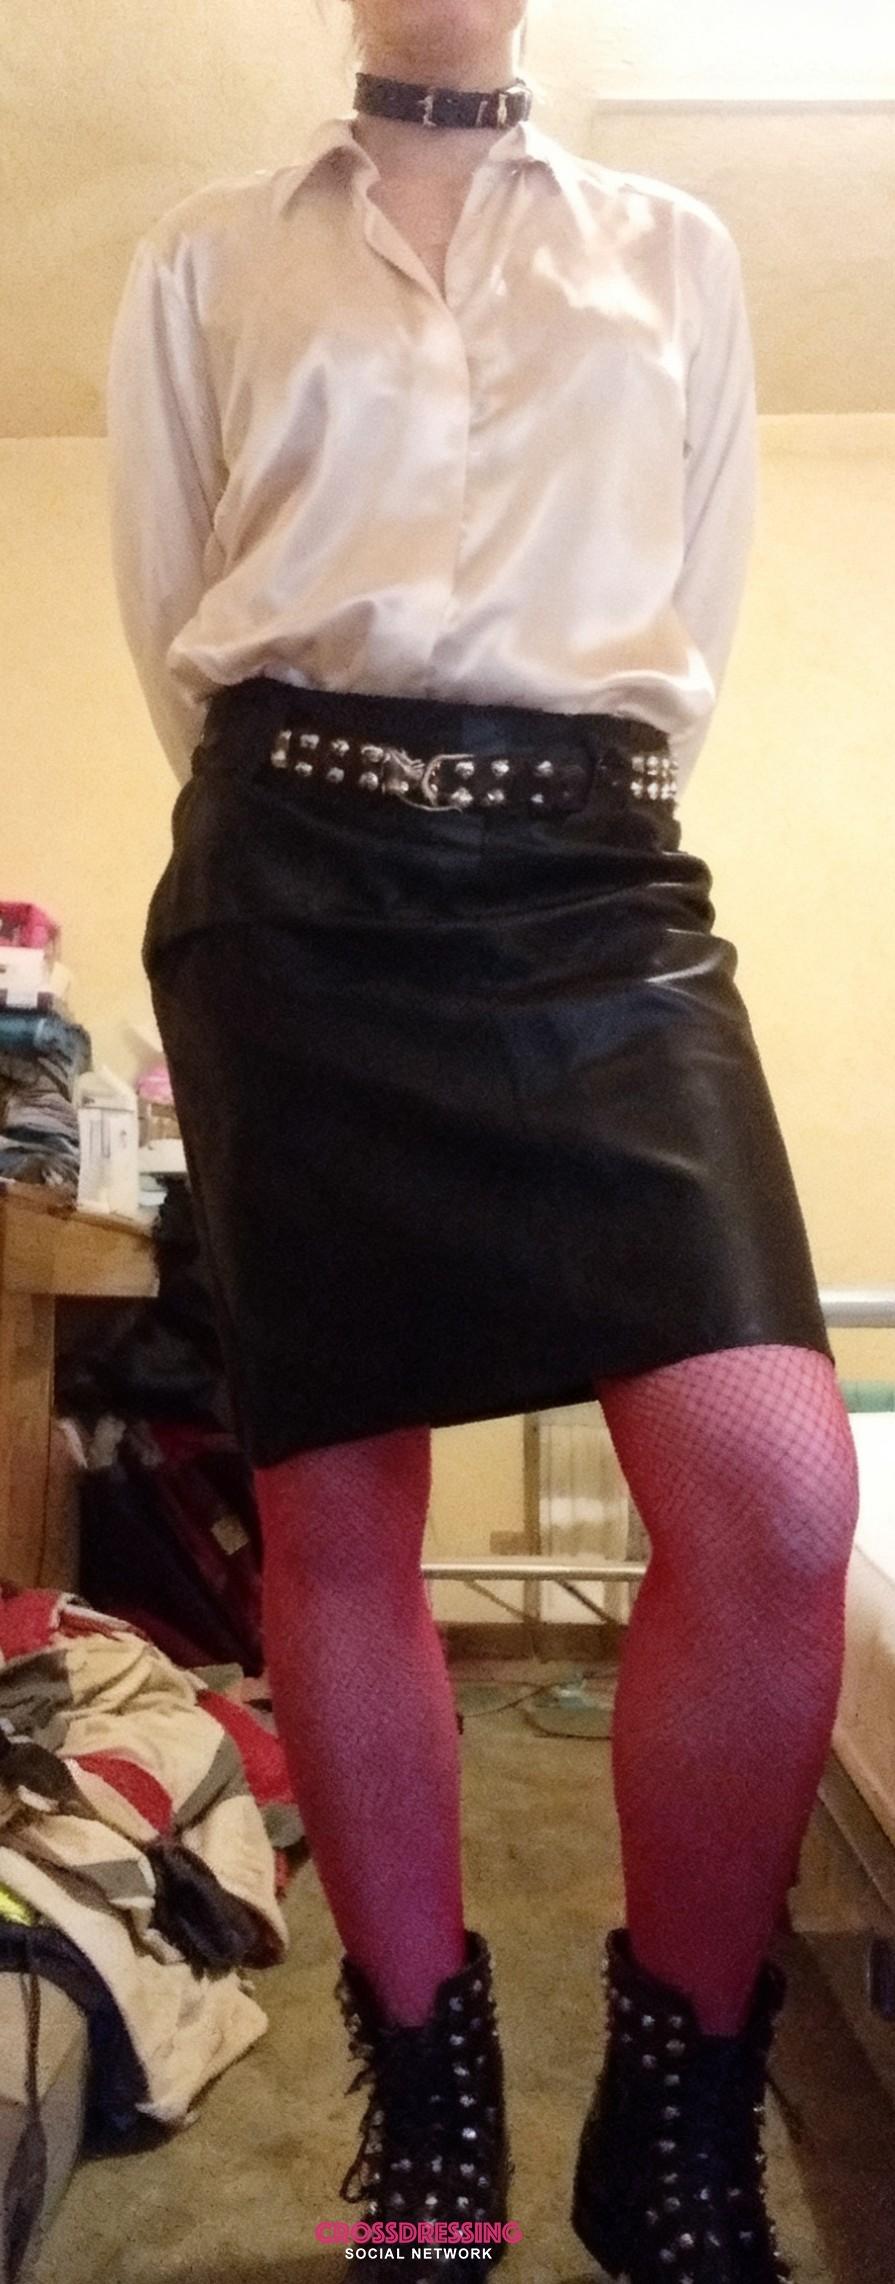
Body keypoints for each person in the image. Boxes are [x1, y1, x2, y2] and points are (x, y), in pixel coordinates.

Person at [105, 1, 860, 2274]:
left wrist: (533, 810)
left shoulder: (676, 249)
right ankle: (429, 2111)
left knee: (776, 1490)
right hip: (294, 898)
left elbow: (688, 603)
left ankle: (674, 2104)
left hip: (599, 892)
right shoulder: (203, 254)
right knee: (337, 1509)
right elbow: (173, 618)